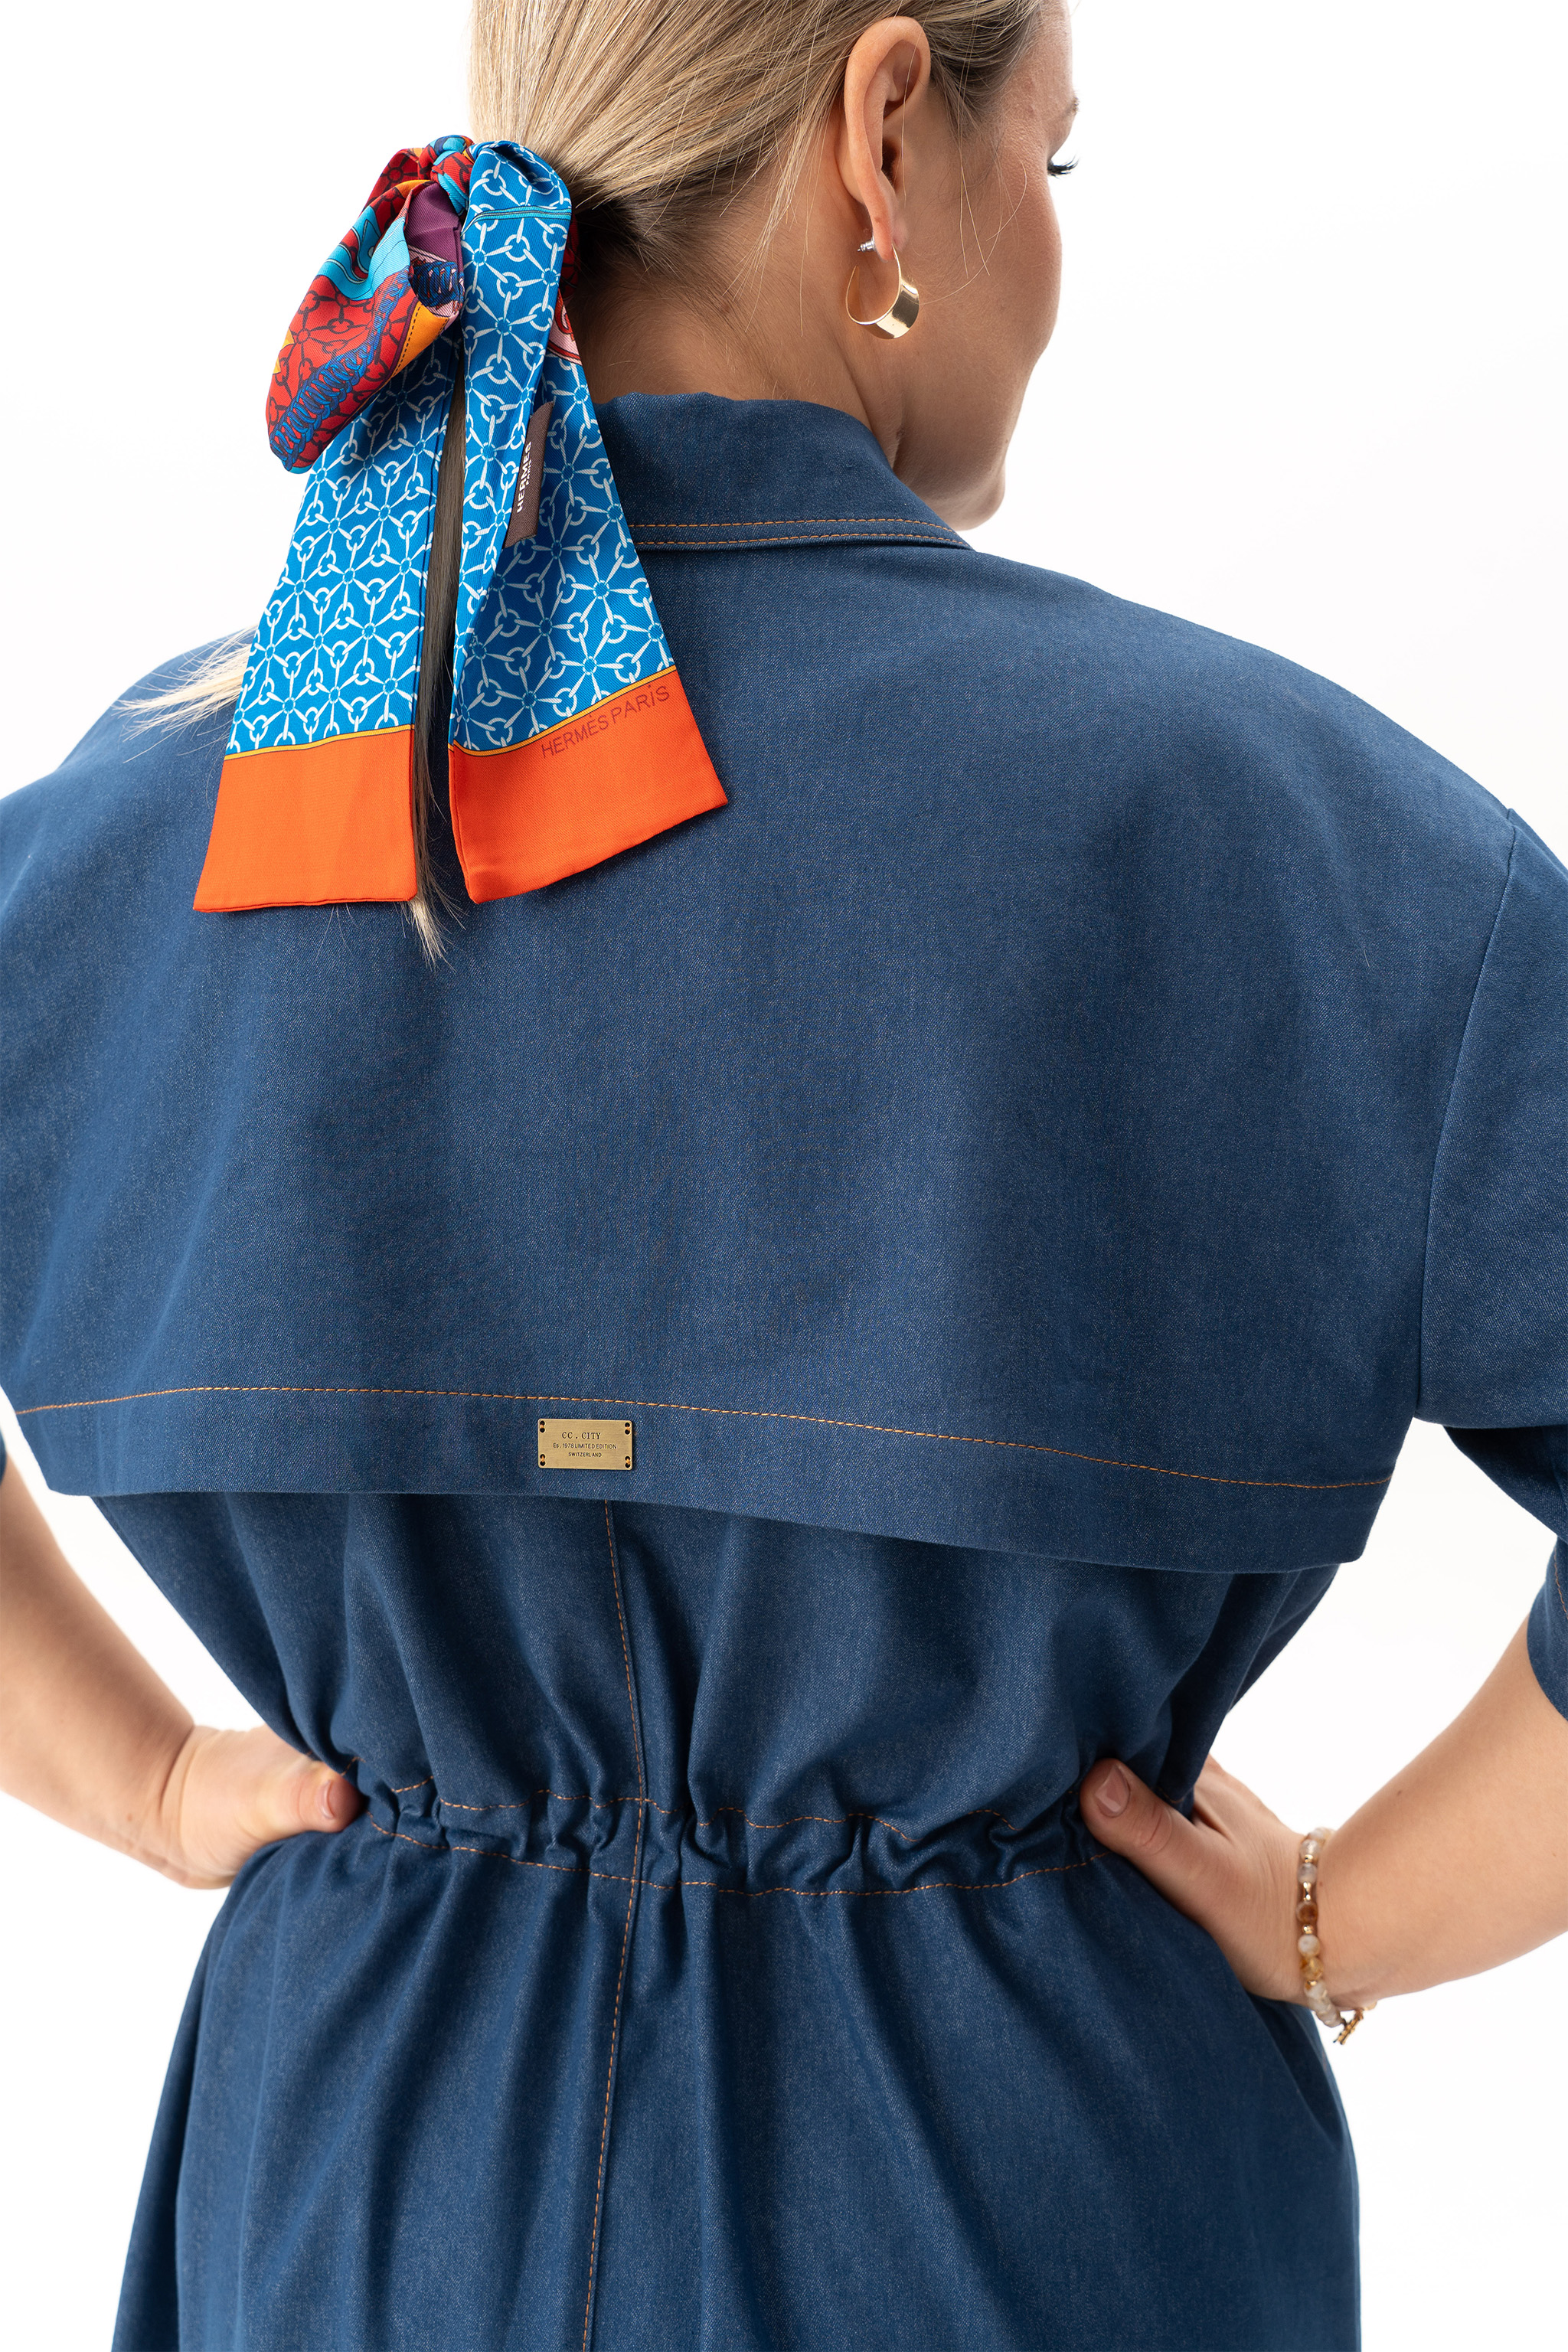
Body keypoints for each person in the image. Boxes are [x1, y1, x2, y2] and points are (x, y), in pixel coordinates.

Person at [2, 2, 1566, 2345]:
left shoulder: (167, 812)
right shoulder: (1292, 837)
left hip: (355, 2183)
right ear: (883, 129)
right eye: (1055, 158)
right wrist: (1354, 1911)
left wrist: (143, 1780)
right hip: (1015, 2201)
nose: (1052, 244)